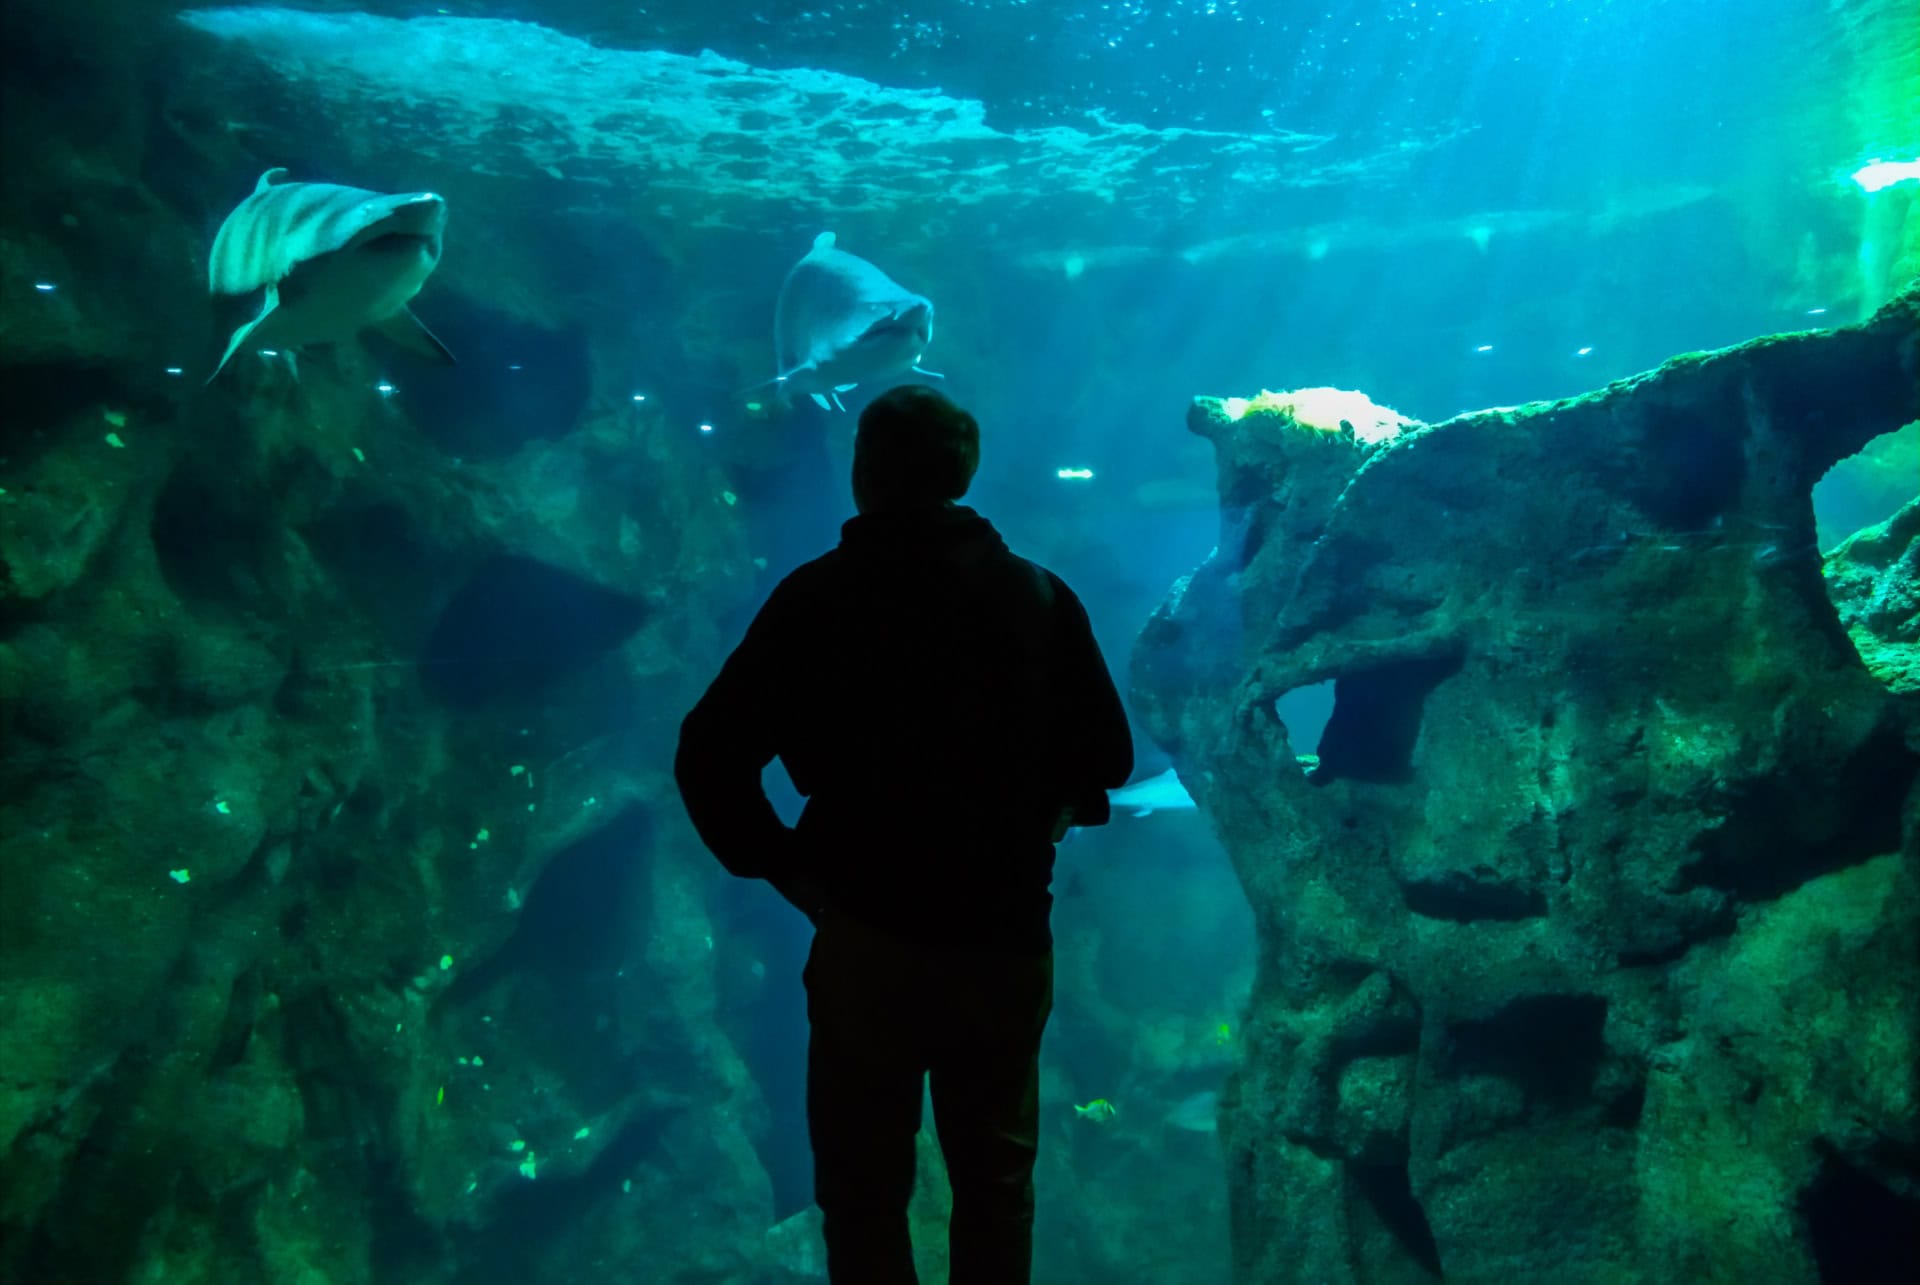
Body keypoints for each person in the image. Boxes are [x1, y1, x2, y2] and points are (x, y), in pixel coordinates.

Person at [674, 384, 1134, 1284]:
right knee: (996, 1185)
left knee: (861, 1187)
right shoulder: (1040, 598)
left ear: (863, 474)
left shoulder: (816, 600)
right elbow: (1109, 758)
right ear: (965, 473)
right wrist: (1041, 809)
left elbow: (708, 756)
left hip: (864, 942)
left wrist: (790, 870)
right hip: (1002, 941)